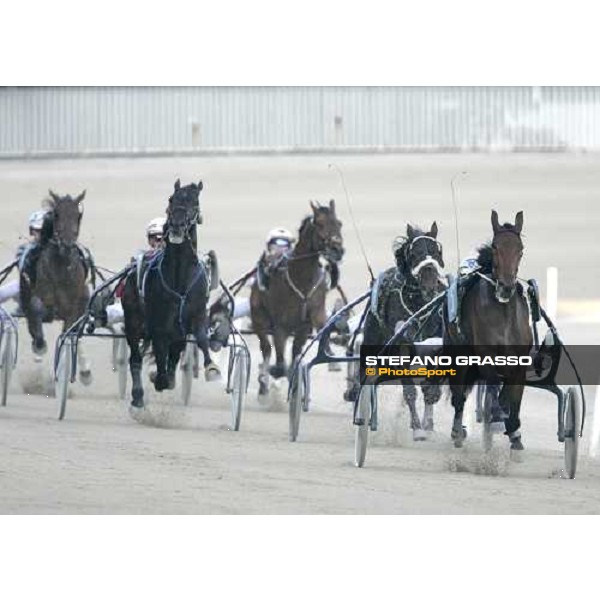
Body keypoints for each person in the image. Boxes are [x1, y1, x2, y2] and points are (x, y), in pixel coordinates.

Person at [94, 217, 166, 328]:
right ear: (149, 240)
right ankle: (101, 315)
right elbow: (122, 291)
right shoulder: (139, 260)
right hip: (139, 308)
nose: (158, 242)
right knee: (120, 310)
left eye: (161, 238)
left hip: (167, 309)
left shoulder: (177, 264)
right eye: (154, 238)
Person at [0, 210, 47, 308]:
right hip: (31, 292)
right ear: (32, 231)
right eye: (38, 230)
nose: (42, 234)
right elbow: (23, 268)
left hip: (56, 294)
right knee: (14, 287)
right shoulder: (25, 250)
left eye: (45, 231)